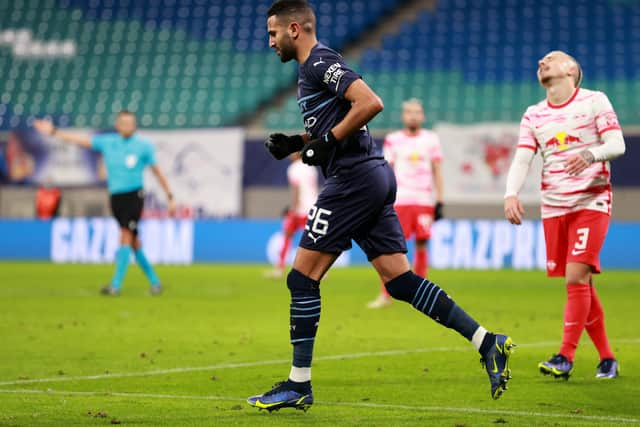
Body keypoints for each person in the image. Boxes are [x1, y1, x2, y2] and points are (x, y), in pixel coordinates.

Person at [247, 0, 514, 412]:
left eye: (273, 33)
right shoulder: (310, 70)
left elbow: (371, 102)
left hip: (353, 179)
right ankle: (486, 341)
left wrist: (327, 142)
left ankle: (299, 384)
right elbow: (331, 127)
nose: (270, 42)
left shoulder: (319, 61)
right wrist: (297, 143)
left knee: (302, 280)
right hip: (370, 175)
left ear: (295, 29)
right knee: (400, 281)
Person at [504, 51, 625, 380]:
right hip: (554, 207)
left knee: (575, 278)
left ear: (571, 69)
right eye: (540, 60)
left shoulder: (594, 101)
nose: (542, 62)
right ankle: (607, 359)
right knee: (581, 282)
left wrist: (590, 153)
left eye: (552, 59)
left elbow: (617, 144)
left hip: (591, 201)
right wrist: (510, 193)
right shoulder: (534, 114)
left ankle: (565, 356)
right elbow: (522, 159)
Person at [33, 111, 176, 295]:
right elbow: (80, 141)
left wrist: (170, 196)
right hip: (115, 197)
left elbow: (157, 172)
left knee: (125, 234)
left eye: (130, 123)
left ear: (135, 125)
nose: (127, 126)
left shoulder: (143, 146)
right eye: (123, 123)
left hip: (134, 195)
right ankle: (155, 282)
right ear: (117, 125)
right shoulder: (107, 142)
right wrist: (54, 131)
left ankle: (116, 285)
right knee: (133, 241)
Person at [367, 98, 444, 309]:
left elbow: (437, 170)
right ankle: (385, 295)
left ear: (423, 116)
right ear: (403, 116)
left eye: (417, 112)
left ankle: (421, 295)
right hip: (400, 200)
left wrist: (440, 199)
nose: (413, 116)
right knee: (390, 248)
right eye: (409, 112)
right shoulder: (393, 140)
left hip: (424, 200)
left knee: (421, 244)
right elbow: (386, 170)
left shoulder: (431, 139)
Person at [266, 152, 319, 278]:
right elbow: (315, 188)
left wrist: (294, 209)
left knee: (287, 236)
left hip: (300, 209)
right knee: (314, 240)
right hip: (314, 206)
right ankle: (320, 271)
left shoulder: (294, 168)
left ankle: (279, 269)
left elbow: (296, 190)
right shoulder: (311, 167)